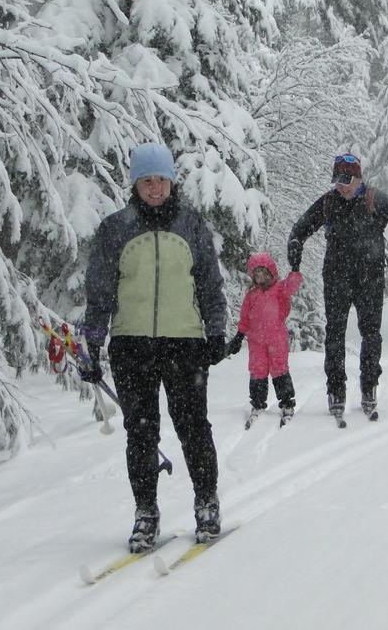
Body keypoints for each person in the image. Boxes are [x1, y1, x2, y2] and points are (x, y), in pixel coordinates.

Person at [81, 143, 228, 552]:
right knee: (141, 434)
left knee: (193, 429)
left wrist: (215, 332)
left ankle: (207, 503)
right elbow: (100, 291)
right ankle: (146, 512)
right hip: (132, 345)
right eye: (147, 180)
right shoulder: (116, 228)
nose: (155, 187)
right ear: (135, 183)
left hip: (184, 343)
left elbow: (210, 285)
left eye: (161, 179)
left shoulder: (192, 225)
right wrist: (92, 342)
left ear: (171, 181)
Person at [287, 153, 388, 419]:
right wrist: (296, 243)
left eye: (345, 179)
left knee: (371, 333)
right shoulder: (328, 202)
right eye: (336, 179)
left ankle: (369, 386)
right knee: (334, 333)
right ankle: (336, 390)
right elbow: (301, 227)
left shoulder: (374, 199)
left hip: (370, 277)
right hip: (336, 276)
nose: (340, 185)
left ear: (358, 178)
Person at [227, 252, 303, 428]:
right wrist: (239, 336)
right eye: (256, 274)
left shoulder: (279, 289)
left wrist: (295, 269)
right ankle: (258, 403)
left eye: (263, 273)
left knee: (279, 369)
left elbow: (292, 286)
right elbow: (245, 317)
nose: (260, 277)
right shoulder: (251, 294)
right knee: (257, 370)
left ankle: (287, 402)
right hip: (256, 341)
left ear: (271, 272)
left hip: (276, 338)